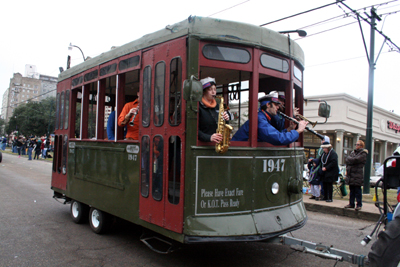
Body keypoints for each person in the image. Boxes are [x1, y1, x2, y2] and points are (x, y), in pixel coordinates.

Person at [231, 92, 308, 145]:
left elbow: (275, 134)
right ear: (268, 105)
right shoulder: (260, 119)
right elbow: (278, 138)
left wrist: (289, 129)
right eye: (275, 105)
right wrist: (299, 130)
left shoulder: (263, 117)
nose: (278, 107)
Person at [198, 77, 232, 143]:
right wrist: (209, 137)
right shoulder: (198, 107)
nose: (213, 92)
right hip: (203, 144)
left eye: (215, 89)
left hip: (217, 143)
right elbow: (194, 130)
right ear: (203, 92)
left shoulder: (218, 106)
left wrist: (226, 120)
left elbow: (222, 125)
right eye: (210, 90)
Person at [344, 140, 368, 210]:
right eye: (356, 144)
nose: (356, 146)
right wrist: (351, 160)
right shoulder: (353, 152)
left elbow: (356, 160)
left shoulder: (363, 153)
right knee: (351, 191)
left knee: (357, 190)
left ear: (361, 146)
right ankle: (351, 203)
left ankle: (359, 204)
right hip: (351, 174)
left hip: (357, 174)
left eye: (357, 144)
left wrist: (351, 160)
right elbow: (347, 159)